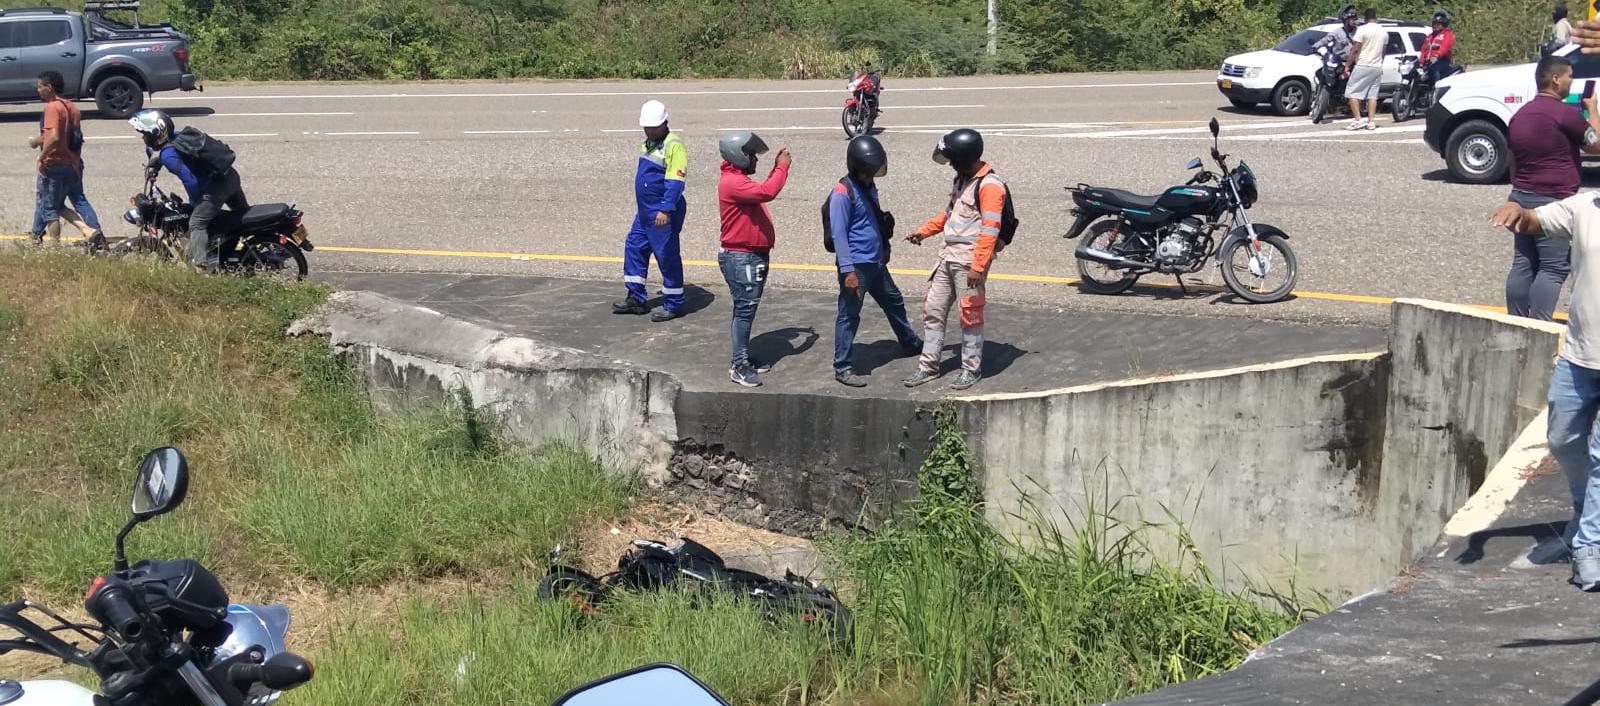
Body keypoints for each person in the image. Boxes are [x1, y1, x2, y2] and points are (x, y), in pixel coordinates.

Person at [1489, 193, 1600, 591]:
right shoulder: (1584, 207)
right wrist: (1518, 213)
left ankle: (1588, 546)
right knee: (1562, 438)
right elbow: (1536, 220)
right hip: (1579, 355)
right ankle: (1586, 514)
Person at [902, 128, 1009, 392]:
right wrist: (923, 231)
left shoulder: (990, 186)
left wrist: (978, 266)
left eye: (952, 159)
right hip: (947, 257)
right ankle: (928, 366)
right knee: (933, 311)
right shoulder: (962, 180)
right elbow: (948, 215)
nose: (949, 163)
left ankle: (971, 369)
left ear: (963, 157)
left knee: (970, 316)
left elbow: (990, 230)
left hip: (968, 263)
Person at [1505, 55, 1600, 321]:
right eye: (1569, 75)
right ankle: (1540, 324)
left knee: (1523, 263)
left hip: (1520, 196)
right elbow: (1596, 145)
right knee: (1553, 267)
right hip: (1553, 200)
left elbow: (1512, 160)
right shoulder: (1564, 113)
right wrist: (1592, 108)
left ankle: (1515, 321)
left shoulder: (1520, 115)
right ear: (1556, 79)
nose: (1571, 81)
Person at [830, 135, 921, 388]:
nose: (873, 175)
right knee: (849, 315)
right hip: (856, 266)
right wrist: (847, 271)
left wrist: (886, 246)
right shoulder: (841, 193)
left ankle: (910, 343)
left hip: (876, 262)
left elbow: (875, 221)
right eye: (869, 170)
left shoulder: (868, 186)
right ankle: (843, 366)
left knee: (894, 301)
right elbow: (839, 235)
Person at [129, 109, 248, 272]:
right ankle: (243, 250)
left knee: (196, 222)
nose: (144, 138)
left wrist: (195, 203)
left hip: (216, 188)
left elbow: (190, 180)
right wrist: (157, 164)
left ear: (156, 133)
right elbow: (179, 155)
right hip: (229, 177)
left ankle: (200, 265)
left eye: (145, 134)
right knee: (242, 219)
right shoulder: (177, 138)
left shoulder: (167, 155)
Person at [716, 131, 791, 388]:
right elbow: (768, 191)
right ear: (739, 156)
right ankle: (739, 365)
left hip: (749, 257)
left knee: (746, 308)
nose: (755, 162)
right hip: (742, 257)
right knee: (745, 310)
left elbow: (761, 190)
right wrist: (781, 167)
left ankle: (743, 357)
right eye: (751, 156)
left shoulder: (737, 180)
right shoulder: (732, 183)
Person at [614, 99, 688, 322]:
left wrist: (665, 209)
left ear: (665, 123)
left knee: (666, 255)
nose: (648, 130)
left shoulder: (673, 145)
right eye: (646, 127)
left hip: (662, 212)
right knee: (635, 246)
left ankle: (673, 303)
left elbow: (675, 181)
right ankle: (636, 297)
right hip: (645, 212)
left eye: (652, 127)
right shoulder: (648, 143)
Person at [28, 71, 103, 248]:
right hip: (73, 163)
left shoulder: (52, 107)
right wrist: (37, 141)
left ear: (49, 87)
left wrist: (41, 155)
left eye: (40, 86)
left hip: (55, 163)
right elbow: (68, 136)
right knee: (73, 200)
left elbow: (53, 137)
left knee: (49, 207)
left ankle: (55, 246)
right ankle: (94, 232)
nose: (38, 90)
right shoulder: (72, 107)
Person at [1343, 7, 1387, 131]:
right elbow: (1384, 52)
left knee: (1352, 92)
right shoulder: (1383, 31)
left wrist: (1347, 65)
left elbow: (1355, 49)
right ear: (1375, 17)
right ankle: (1371, 121)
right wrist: (1380, 62)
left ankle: (1358, 120)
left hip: (1363, 64)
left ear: (1366, 18)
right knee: (1373, 95)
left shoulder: (1362, 30)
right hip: (1377, 66)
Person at [1419, 10, 1456, 85]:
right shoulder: (1430, 36)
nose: (1435, 26)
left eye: (1438, 24)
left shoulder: (1447, 34)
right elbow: (1423, 49)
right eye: (1434, 23)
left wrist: (1437, 56)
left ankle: (1436, 89)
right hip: (1428, 62)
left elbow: (1445, 47)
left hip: (1442, 61)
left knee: (1434, 69)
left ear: (1443, 24)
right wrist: (1421, 60)